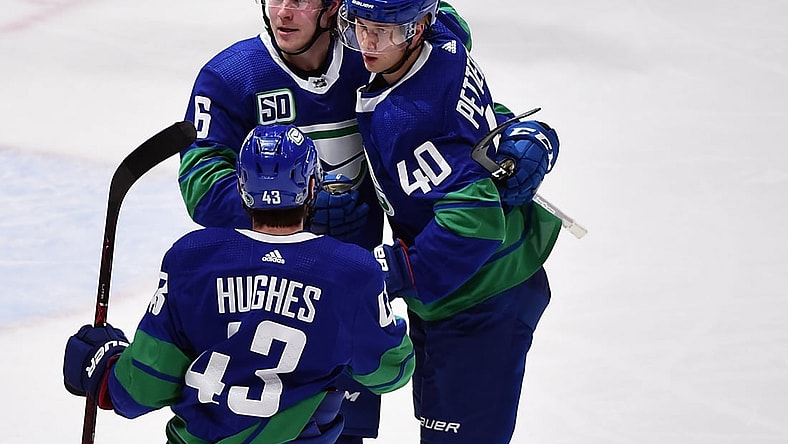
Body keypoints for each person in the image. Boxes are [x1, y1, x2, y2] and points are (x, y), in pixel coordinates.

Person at [175, 1, 479, 441]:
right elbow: (200, 185)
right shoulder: (231, 76)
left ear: (333, 6)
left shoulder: (372, 53)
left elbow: (449, 100)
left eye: (299, 0)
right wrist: (291, 206)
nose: (282, 12)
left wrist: (512, 133)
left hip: (348, 293)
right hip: (259, 298)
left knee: (345, 431)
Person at [63, 124, 415, 444]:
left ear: (242, 187)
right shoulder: (351, 272)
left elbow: (141, 388)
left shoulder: (191, 259)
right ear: (312, 186)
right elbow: (391, 372)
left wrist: (101, 366)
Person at [337, 1, 563, 443]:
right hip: (462, 293)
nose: (368, 42)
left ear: (418, 28)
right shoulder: (445, 36)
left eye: (386, 30)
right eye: (361, 26)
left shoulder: (413, 118)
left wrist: (390, 270)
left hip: (481, 298)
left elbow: (474, 221)